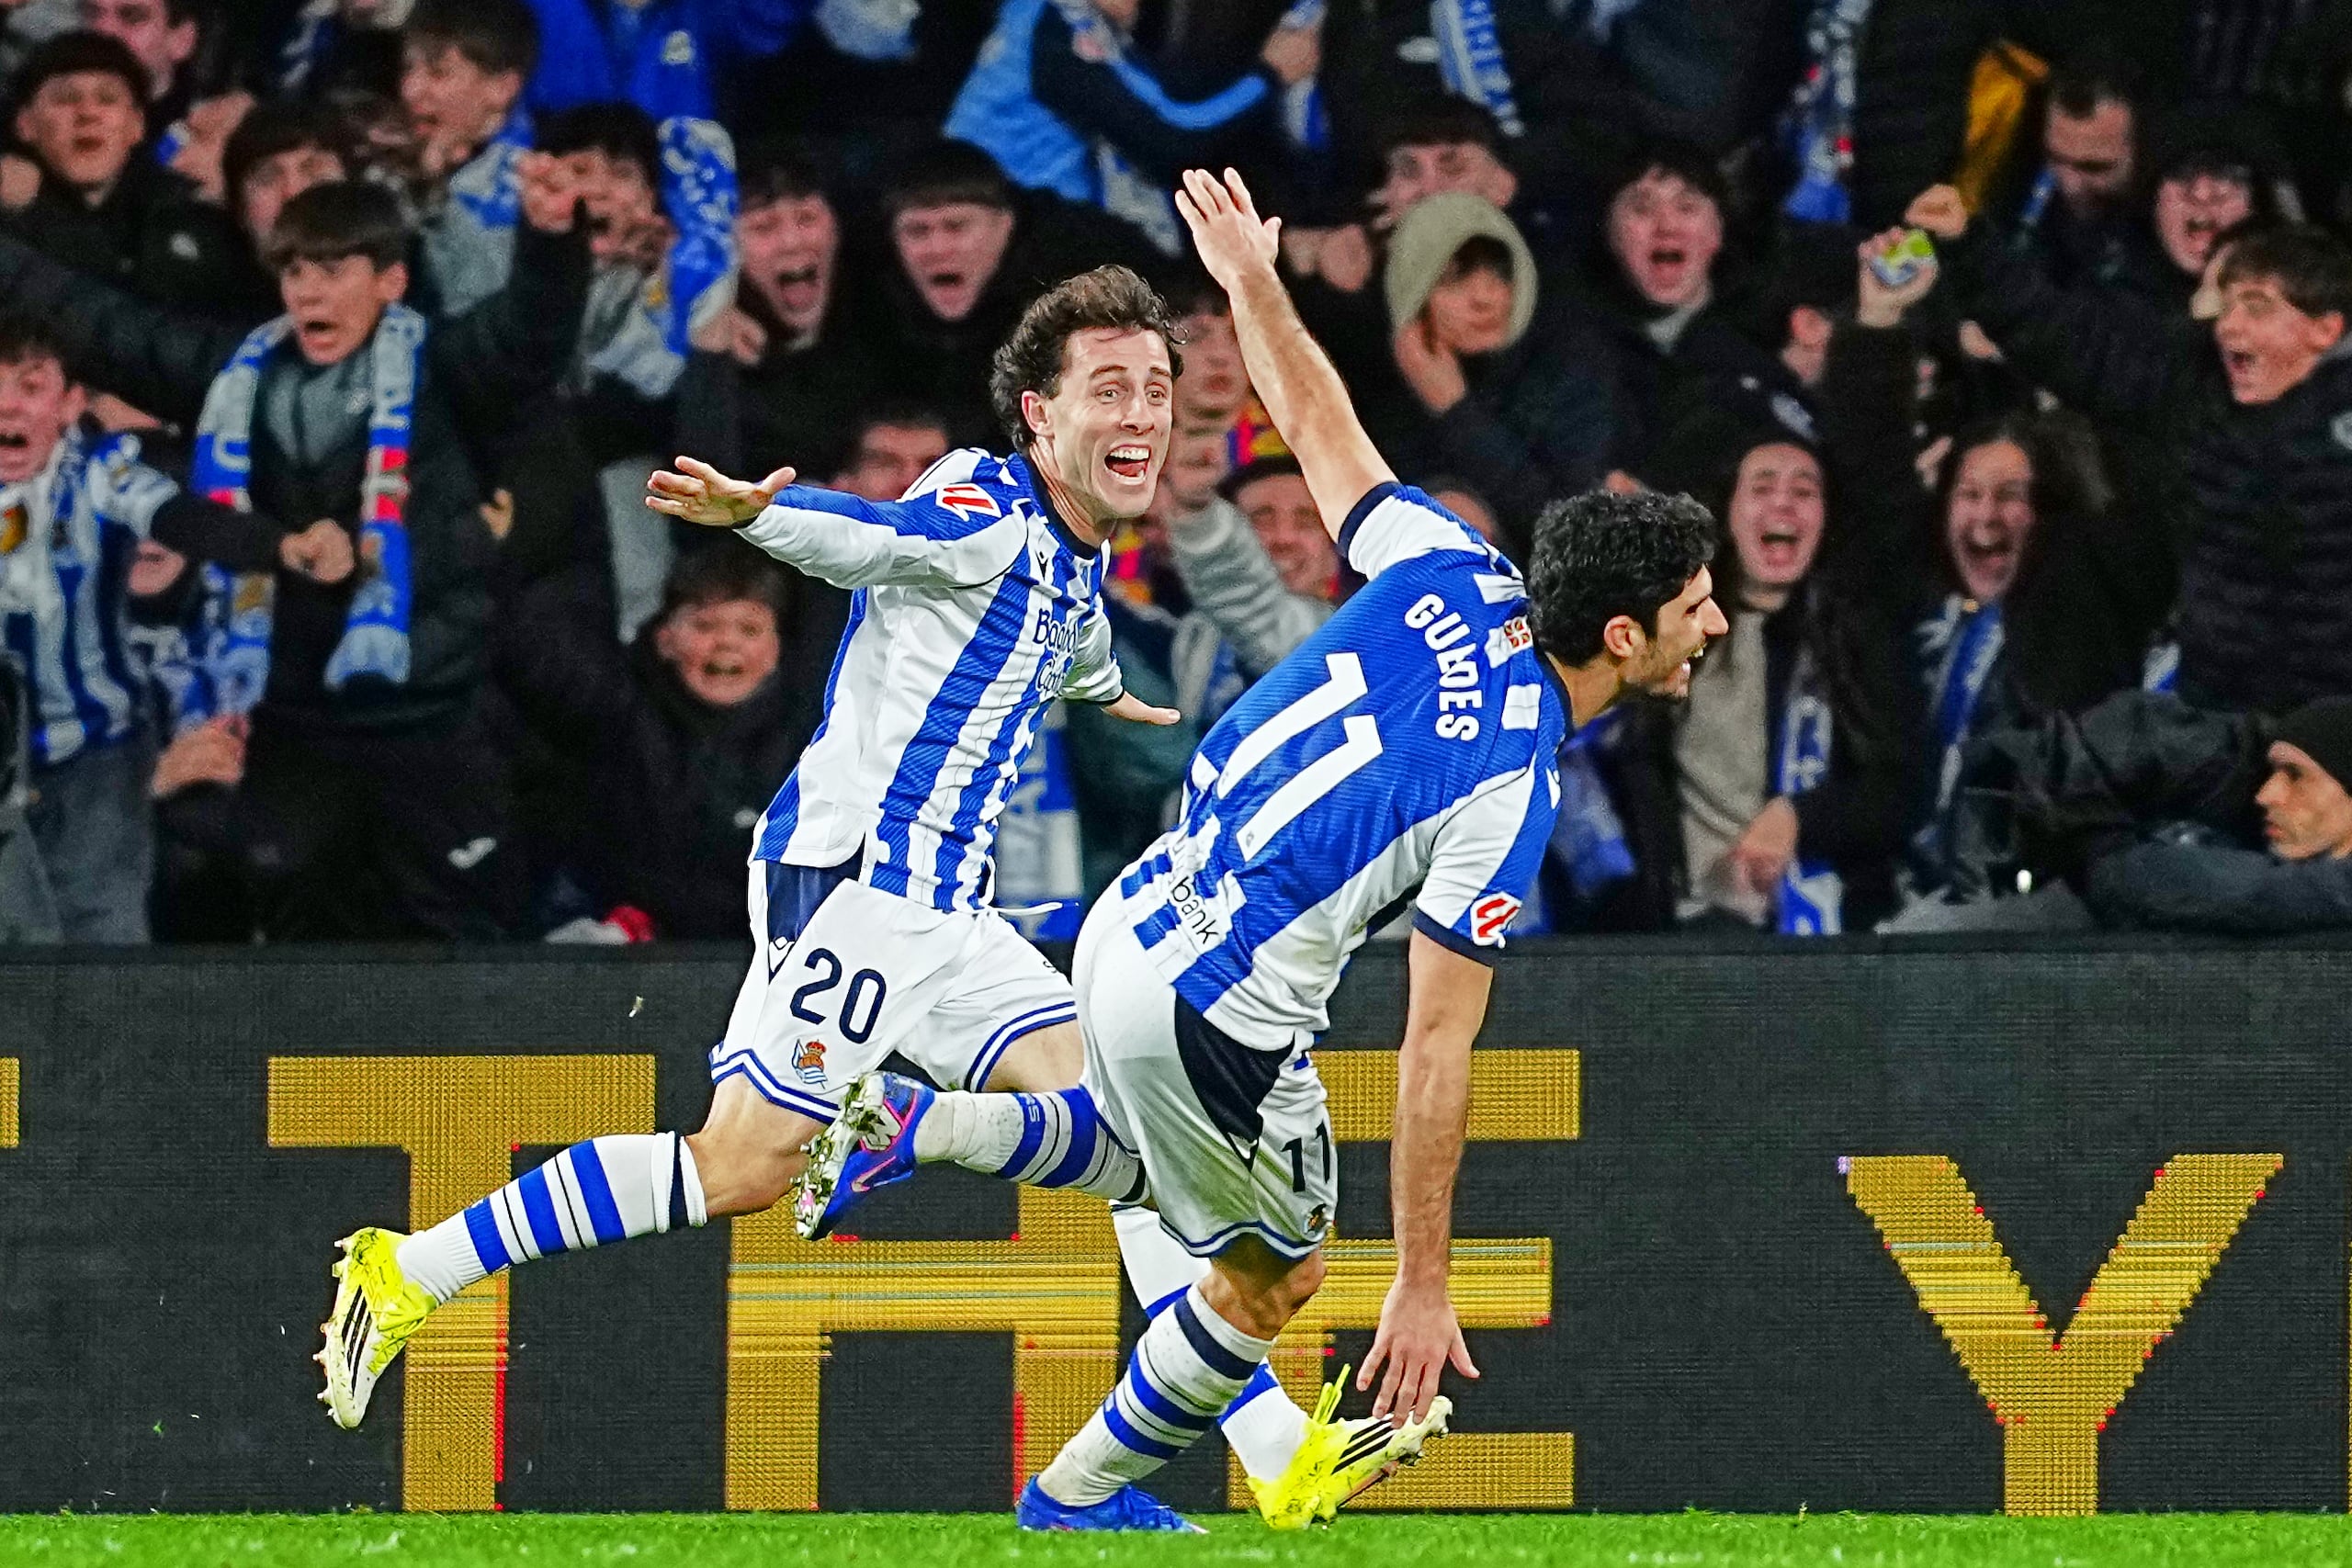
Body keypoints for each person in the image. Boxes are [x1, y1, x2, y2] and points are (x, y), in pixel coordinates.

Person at [787, 167, 1726, 1533]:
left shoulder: (1451, 565)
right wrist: (1420, 1277)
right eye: (1695, 609)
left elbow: (1322, 426)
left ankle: (923, 1125)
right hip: (1221, 1010)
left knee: (1153, 1172)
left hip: (1135, 915)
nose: (1714, 627)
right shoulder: (1508, 788)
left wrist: (1252, 283)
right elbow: (1433, 1054)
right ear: (1623, 637)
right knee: (1274, 1275)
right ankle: (1075, 1495)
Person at [311, 266, 1282, 1510]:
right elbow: (879, 539)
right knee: (738, 1167)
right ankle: (412, 1266)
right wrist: (760, 516)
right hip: (862, 889)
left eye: (1157, 385)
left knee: (1130, 1133)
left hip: (950, 910)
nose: (1144, 410)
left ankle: (1257, 1448)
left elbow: (1065, 628)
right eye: (1111, 387)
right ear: (1041, 415)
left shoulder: (1073, 556)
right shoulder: (985, 498)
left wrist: (1107, 687)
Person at [1909, 183, 2352, 716]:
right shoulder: (2191, 383)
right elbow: (2069, 338)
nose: (2229, 325)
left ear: (2324, 329)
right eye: (2228, 304)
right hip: (2223, 720)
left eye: (2256, 307)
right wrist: (1970, 248)